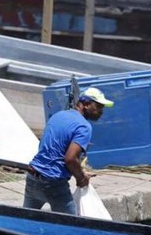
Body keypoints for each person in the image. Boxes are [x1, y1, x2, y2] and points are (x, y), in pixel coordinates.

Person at [23, 87, 114, 215]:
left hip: (33, 176)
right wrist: (81, 178)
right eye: (98, 107)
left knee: (26, 220)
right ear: (86, 105)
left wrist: (79, 170)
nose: (101, 111)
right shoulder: (84, 127)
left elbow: (48, 148)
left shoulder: (58, 115)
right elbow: (70, 159)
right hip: (53, 183)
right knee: (71, 225)